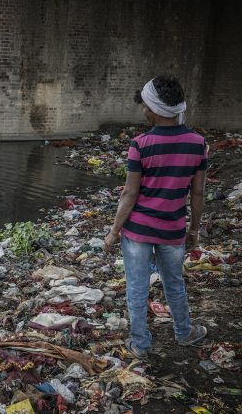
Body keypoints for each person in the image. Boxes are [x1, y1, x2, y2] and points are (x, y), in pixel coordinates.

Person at [104, 75, 208, 359]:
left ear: (153, 108)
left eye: (145, 106)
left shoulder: (140, 144)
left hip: (137, 230)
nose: (143, 111)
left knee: (137, 289)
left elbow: (129, 194)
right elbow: (197, 193)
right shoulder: (198, 144)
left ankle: (140, 345)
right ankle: (185, 333)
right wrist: (195, 229)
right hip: (173, 230)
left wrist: (114, 231)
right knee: (174, 283)